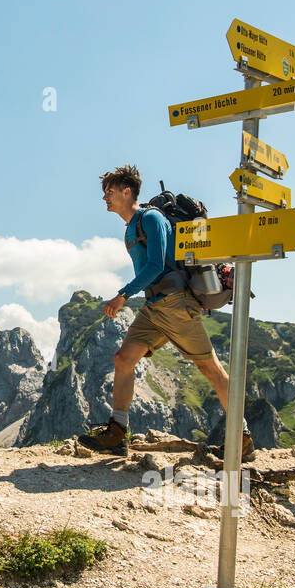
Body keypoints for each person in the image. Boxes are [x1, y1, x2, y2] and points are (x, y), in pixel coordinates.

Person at [79, 164, 253, 461]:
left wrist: (123, 295)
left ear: (126, 191)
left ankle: (242, 439)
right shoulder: (131, 227)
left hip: (175, 305)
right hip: (154, 306)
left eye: (109, 192)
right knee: (123, 359)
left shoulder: (151, 219)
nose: (104, 198)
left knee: (209, 368)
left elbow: (156, 265)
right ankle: (117, 433)